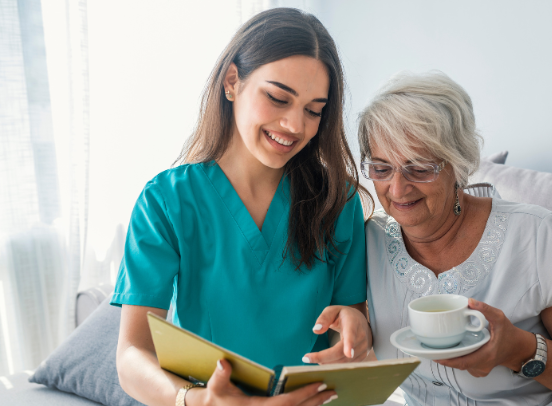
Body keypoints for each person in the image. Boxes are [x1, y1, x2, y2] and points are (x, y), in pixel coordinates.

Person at [113, 8, 373, 406]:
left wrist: (355, 331)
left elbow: (345, 327)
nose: (294, 125)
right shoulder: (165, 202)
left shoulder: (338, 202)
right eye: (277, 98)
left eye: (313, 110)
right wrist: (198, 401)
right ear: (232, 82)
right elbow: (132, 354)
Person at [359, 71, 552, 406]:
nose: (397, 188)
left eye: (419, 168)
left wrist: (521, 349)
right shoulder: (368, 243)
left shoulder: (534, 236)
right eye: (381, 168)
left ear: (457, 163)